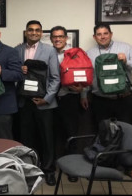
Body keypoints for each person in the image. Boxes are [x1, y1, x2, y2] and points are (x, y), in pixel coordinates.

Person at [15, 20, 60, 186]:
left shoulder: (49, 50)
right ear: (26, 32)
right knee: (27, 138)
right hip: (24, 102)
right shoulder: (17, 50)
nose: (34, 33)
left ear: (41, 33)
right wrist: (19, 70)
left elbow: (55, 78)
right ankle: (29, 170)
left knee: (47, 138)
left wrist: (47, 98)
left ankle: (49, 171)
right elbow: (13, 74)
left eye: (37, 30)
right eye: (31, 30)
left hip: (44, 103)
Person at [85, 23, 132, 126]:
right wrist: (83, 95)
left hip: (123, 100)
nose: (102, 37)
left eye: (105, 33)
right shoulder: (89, 53)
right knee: (102, 134)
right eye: (99, 34)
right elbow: (87, 76)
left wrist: (127, 61)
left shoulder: (126, 47)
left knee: (126, 133)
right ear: (94, 37)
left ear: (111, 34)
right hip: (100, 101)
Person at [50, 25, 87, 183]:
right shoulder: (46, 52)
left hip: (69, 99)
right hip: (49, 100)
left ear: (66, 38)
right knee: (49, 134)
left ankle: (72, 169)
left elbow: (84, 74)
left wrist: (83, 93)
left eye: (60, 36)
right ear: (51, 39)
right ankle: (50, 168)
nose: (58, 39)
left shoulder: (75, 54)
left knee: (71, 135)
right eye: (55, 37)